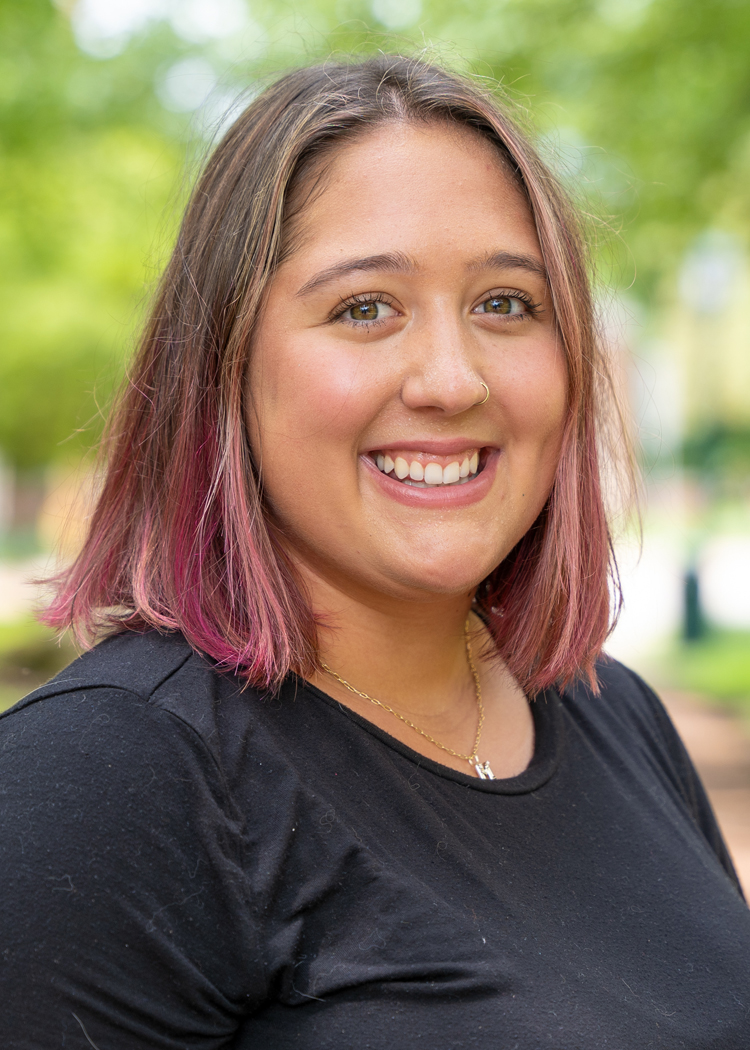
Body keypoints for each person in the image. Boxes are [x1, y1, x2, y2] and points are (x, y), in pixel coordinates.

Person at [1, 54, 748, 1050]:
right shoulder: (106, 778)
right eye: (365, 308)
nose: (451, 378)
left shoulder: (619, 717)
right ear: (223, 366)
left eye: (505, 304)